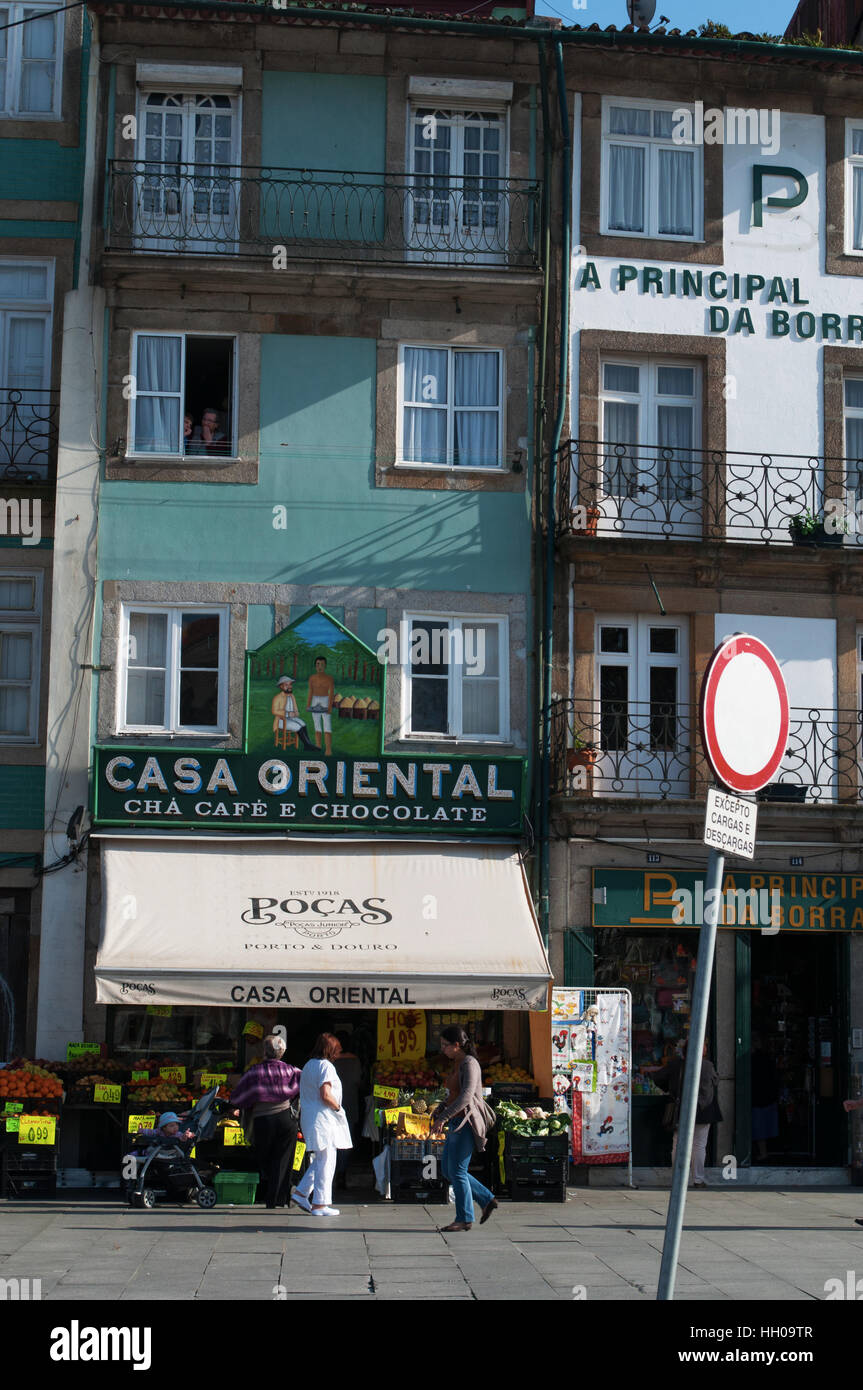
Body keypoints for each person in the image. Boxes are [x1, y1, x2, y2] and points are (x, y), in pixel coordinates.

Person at [430, 1025, 497, 1232]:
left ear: (457, 1045)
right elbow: (453, 1094)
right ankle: (486, 1199)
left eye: (445, 1045)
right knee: (450, 1170)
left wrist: (444, 1116)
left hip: (465, 1123)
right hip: (455, 1122)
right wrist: (441, 1108)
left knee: (457, 1171)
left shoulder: (470, 1063)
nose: (443, 1050)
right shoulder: (457, 1063)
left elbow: (467, 1096)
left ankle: (464, 1218)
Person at [229, 1034, 301, 1209]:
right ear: (281, 1052)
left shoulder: (255, 1072)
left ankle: (271, 1196)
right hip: (286, 1119)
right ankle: (280, 1198)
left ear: (265, 1052)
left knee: (265, 1158)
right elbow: (303, 1084)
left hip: (263, 1121)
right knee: (283, 1159)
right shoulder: (291, 1070)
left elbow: (238, 1096)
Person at [292, 1033, 352, 1216]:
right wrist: (338, 1108)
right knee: (327, 1160)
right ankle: (320, 1203)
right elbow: (325, 1094)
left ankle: (302, 1193)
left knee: (320, 1158)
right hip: (324, 1118)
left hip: (311, 1117)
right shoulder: (326, 1067)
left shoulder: (309, 1065)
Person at [648, 1040, 722, 1188]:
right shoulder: (708, 1066)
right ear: (703, 1051)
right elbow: (715, 1081)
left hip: (681, 1109)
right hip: (703, 1110)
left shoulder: (676, 1065)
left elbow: (657, 1078)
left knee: (679, 1144)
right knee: (699, 1145)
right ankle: (698, 1179)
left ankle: (679, 1178)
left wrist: (670, 1089)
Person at [333, 1030, 363, 1190]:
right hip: (350, 1104)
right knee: (346, 1139)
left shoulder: (331, 1062)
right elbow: (358, 1082)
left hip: (332, 1105)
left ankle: (332, 1173)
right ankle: (341, 1173)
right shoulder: (355, 1061)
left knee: (331, 1141)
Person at [270, 675, 316, 751]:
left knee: (303, 724)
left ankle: (308, 744)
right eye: (286, 685)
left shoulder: (291, 696)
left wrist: (296, 712)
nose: (289, 686)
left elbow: (295, 708)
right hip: (281, 720)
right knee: (298, 727)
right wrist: (287, 714)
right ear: (281, 687)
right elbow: (274, 711)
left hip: (291, 718)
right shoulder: (277, 697)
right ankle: (308, 745)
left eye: (290, 684)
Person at [307, 655, 335, 756]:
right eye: (318, 664)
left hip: (325, 700)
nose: (320, 666)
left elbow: (331, 693)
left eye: (322, 664)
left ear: (325, 666)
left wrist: (330, 707)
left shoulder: (329, 679)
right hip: (315, 700)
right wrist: (308, 704)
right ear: (315, 666)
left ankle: (328, 749)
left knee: (327, 725)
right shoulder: (312, 678)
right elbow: (310, 691)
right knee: (317, 725)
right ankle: (318, 746)